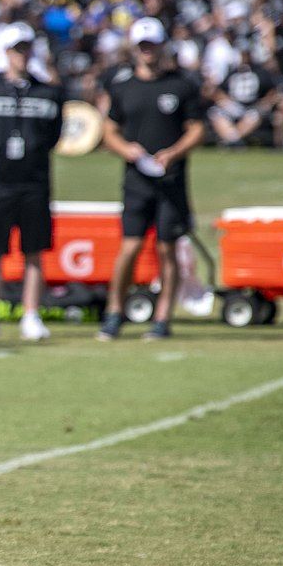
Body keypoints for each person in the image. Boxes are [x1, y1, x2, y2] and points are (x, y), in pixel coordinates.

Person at [97, 17, 206, 341]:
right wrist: (127, 150)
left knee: (167, 249)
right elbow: (109, 131)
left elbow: (197, 129)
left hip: (171, 180)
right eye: (142, 45)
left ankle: (162, 318)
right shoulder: (123, 86)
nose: (147, 51)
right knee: (130, 247)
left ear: (162, 46)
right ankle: (114, 312)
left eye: (152, 45)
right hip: (136, 180)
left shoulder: (181, 85)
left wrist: (174, 152)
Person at [0, 23, 65, 341]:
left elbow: (53, 136)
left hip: (34, 183)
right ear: (5, 52)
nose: (23, 55)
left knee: (34, 250)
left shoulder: (48, 92)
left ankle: (31, 313)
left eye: (26, 48)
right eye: (17, 49)